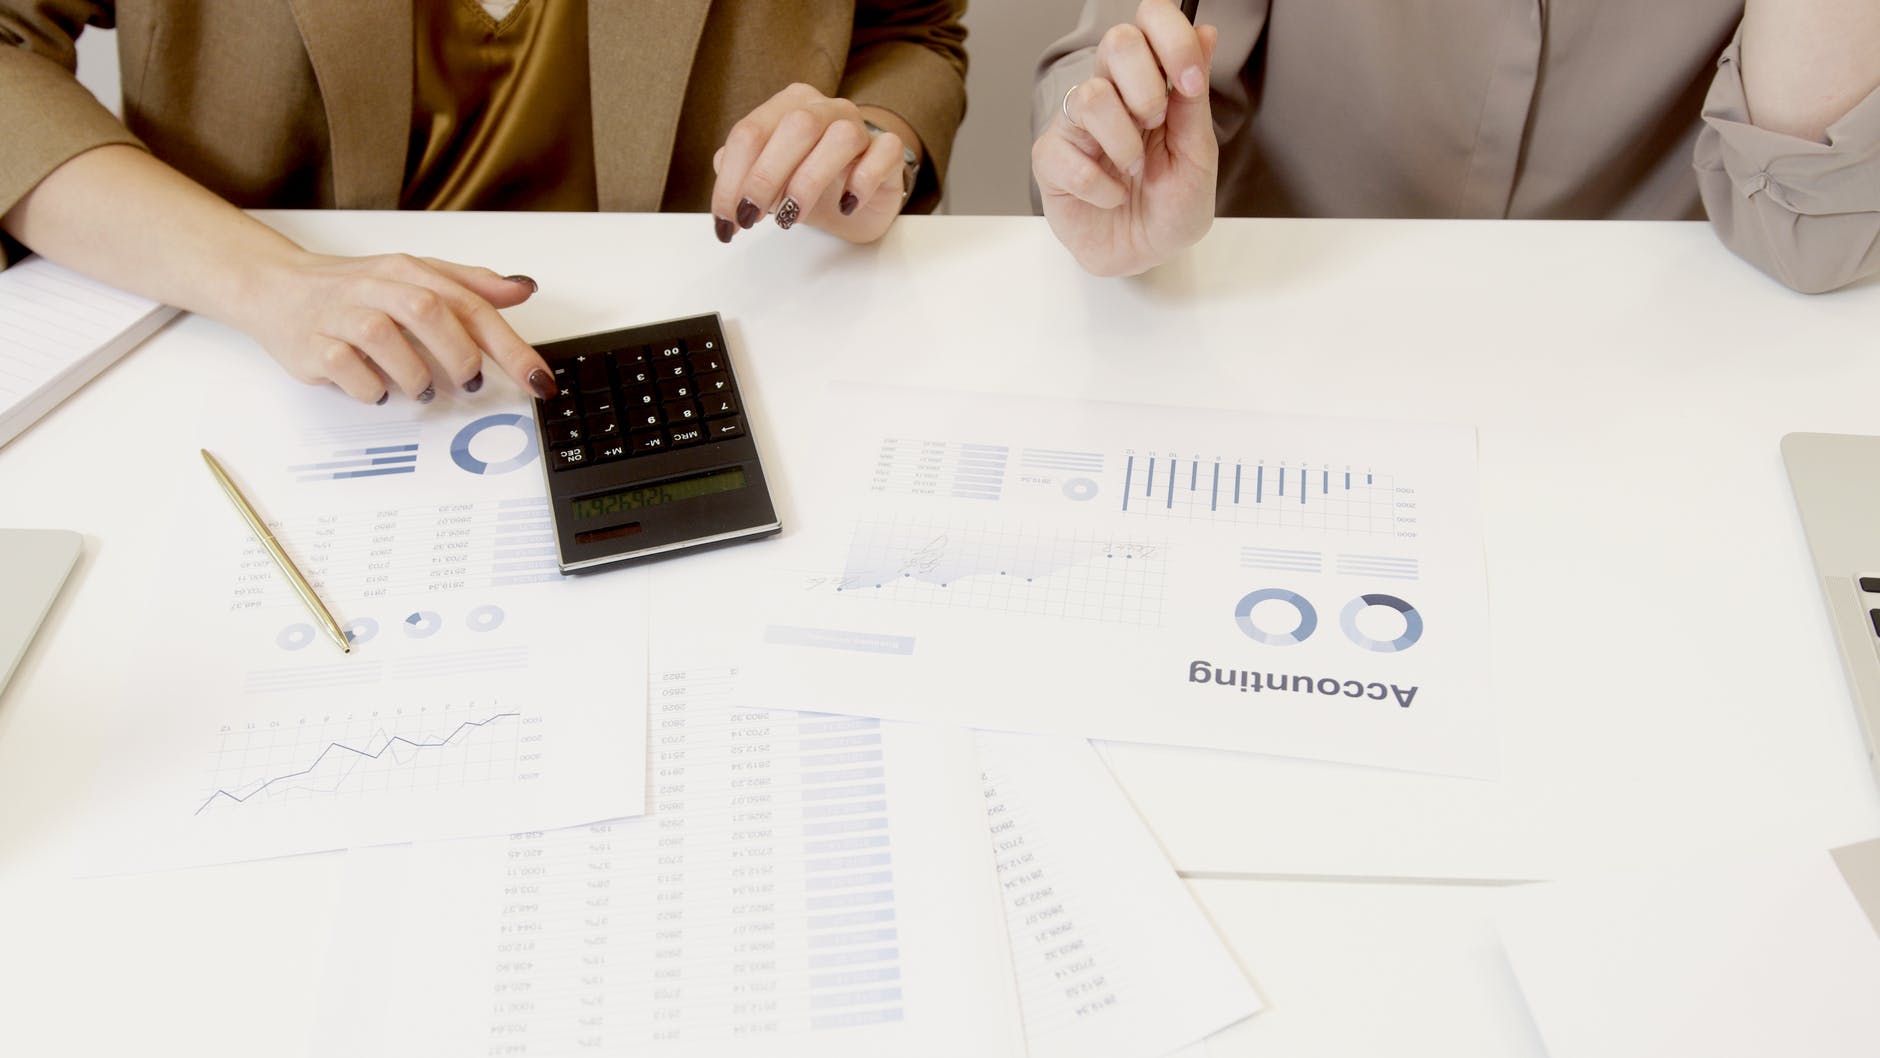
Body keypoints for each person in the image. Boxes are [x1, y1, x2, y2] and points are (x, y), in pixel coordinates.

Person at [0, 1, 967, 403]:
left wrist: (869, 144)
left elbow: (910, 31)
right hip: (254, 370)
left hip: (736, 349)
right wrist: (269, 283)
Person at [1031, 0, 1880, 293]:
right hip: (1276, 340)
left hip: (1656, 392)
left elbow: (1807, 236)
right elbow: (1120, 61)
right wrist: (1106, 149)